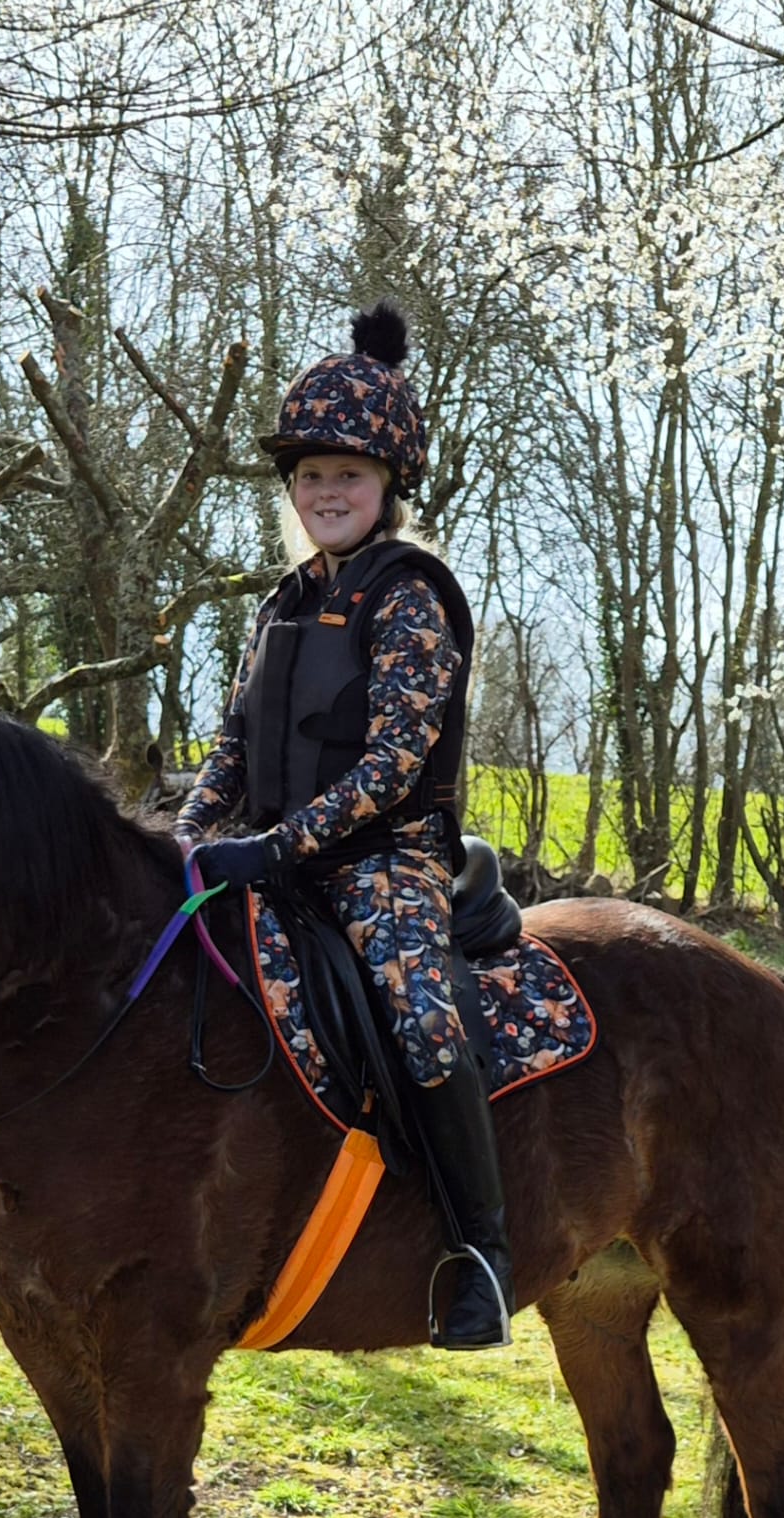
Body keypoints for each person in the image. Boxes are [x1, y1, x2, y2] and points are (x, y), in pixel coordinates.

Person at [178, 302, 512, 1349]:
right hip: (271, 859)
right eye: (312, 474)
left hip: (382, 862)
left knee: (421, 1018)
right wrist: (186, 835)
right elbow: (235, 745)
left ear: (387, 488)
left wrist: (275, 845)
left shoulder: (409, 598)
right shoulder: (279, 603)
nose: (328, 491)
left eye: (350, 475)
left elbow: (392, 763)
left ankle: (481, 1252)